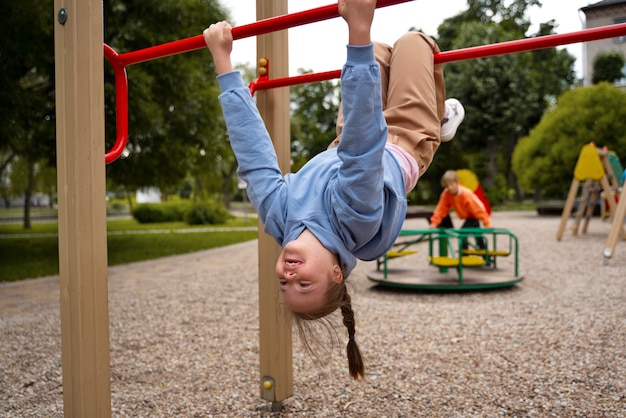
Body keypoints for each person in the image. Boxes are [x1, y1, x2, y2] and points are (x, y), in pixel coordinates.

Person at [203, 0, 464, 380]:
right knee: (412, 43)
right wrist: (356, 28)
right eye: (304, 282)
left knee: (375, 53)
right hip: (404, 139)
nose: (290, 274)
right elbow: (362, 150)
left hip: (348, 138)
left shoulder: (279, 217)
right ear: (337, 274)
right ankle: (437, 120)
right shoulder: (353, 219)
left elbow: (253, 155)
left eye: (284, 282)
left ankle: (410, 88)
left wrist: (223, 65)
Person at [429, 170, 492, 253]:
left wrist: (487, 223)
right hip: (468, 218)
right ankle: (483, 257)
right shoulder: (446, 194)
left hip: (474, 216)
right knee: (478, 236)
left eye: (451, 184)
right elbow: (441, 209)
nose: (450, 188)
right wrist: (434, 223)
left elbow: (479, 209)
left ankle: (466, 256)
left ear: (457, 182)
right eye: (447, 186)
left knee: (463, 233)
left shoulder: (466, 194)